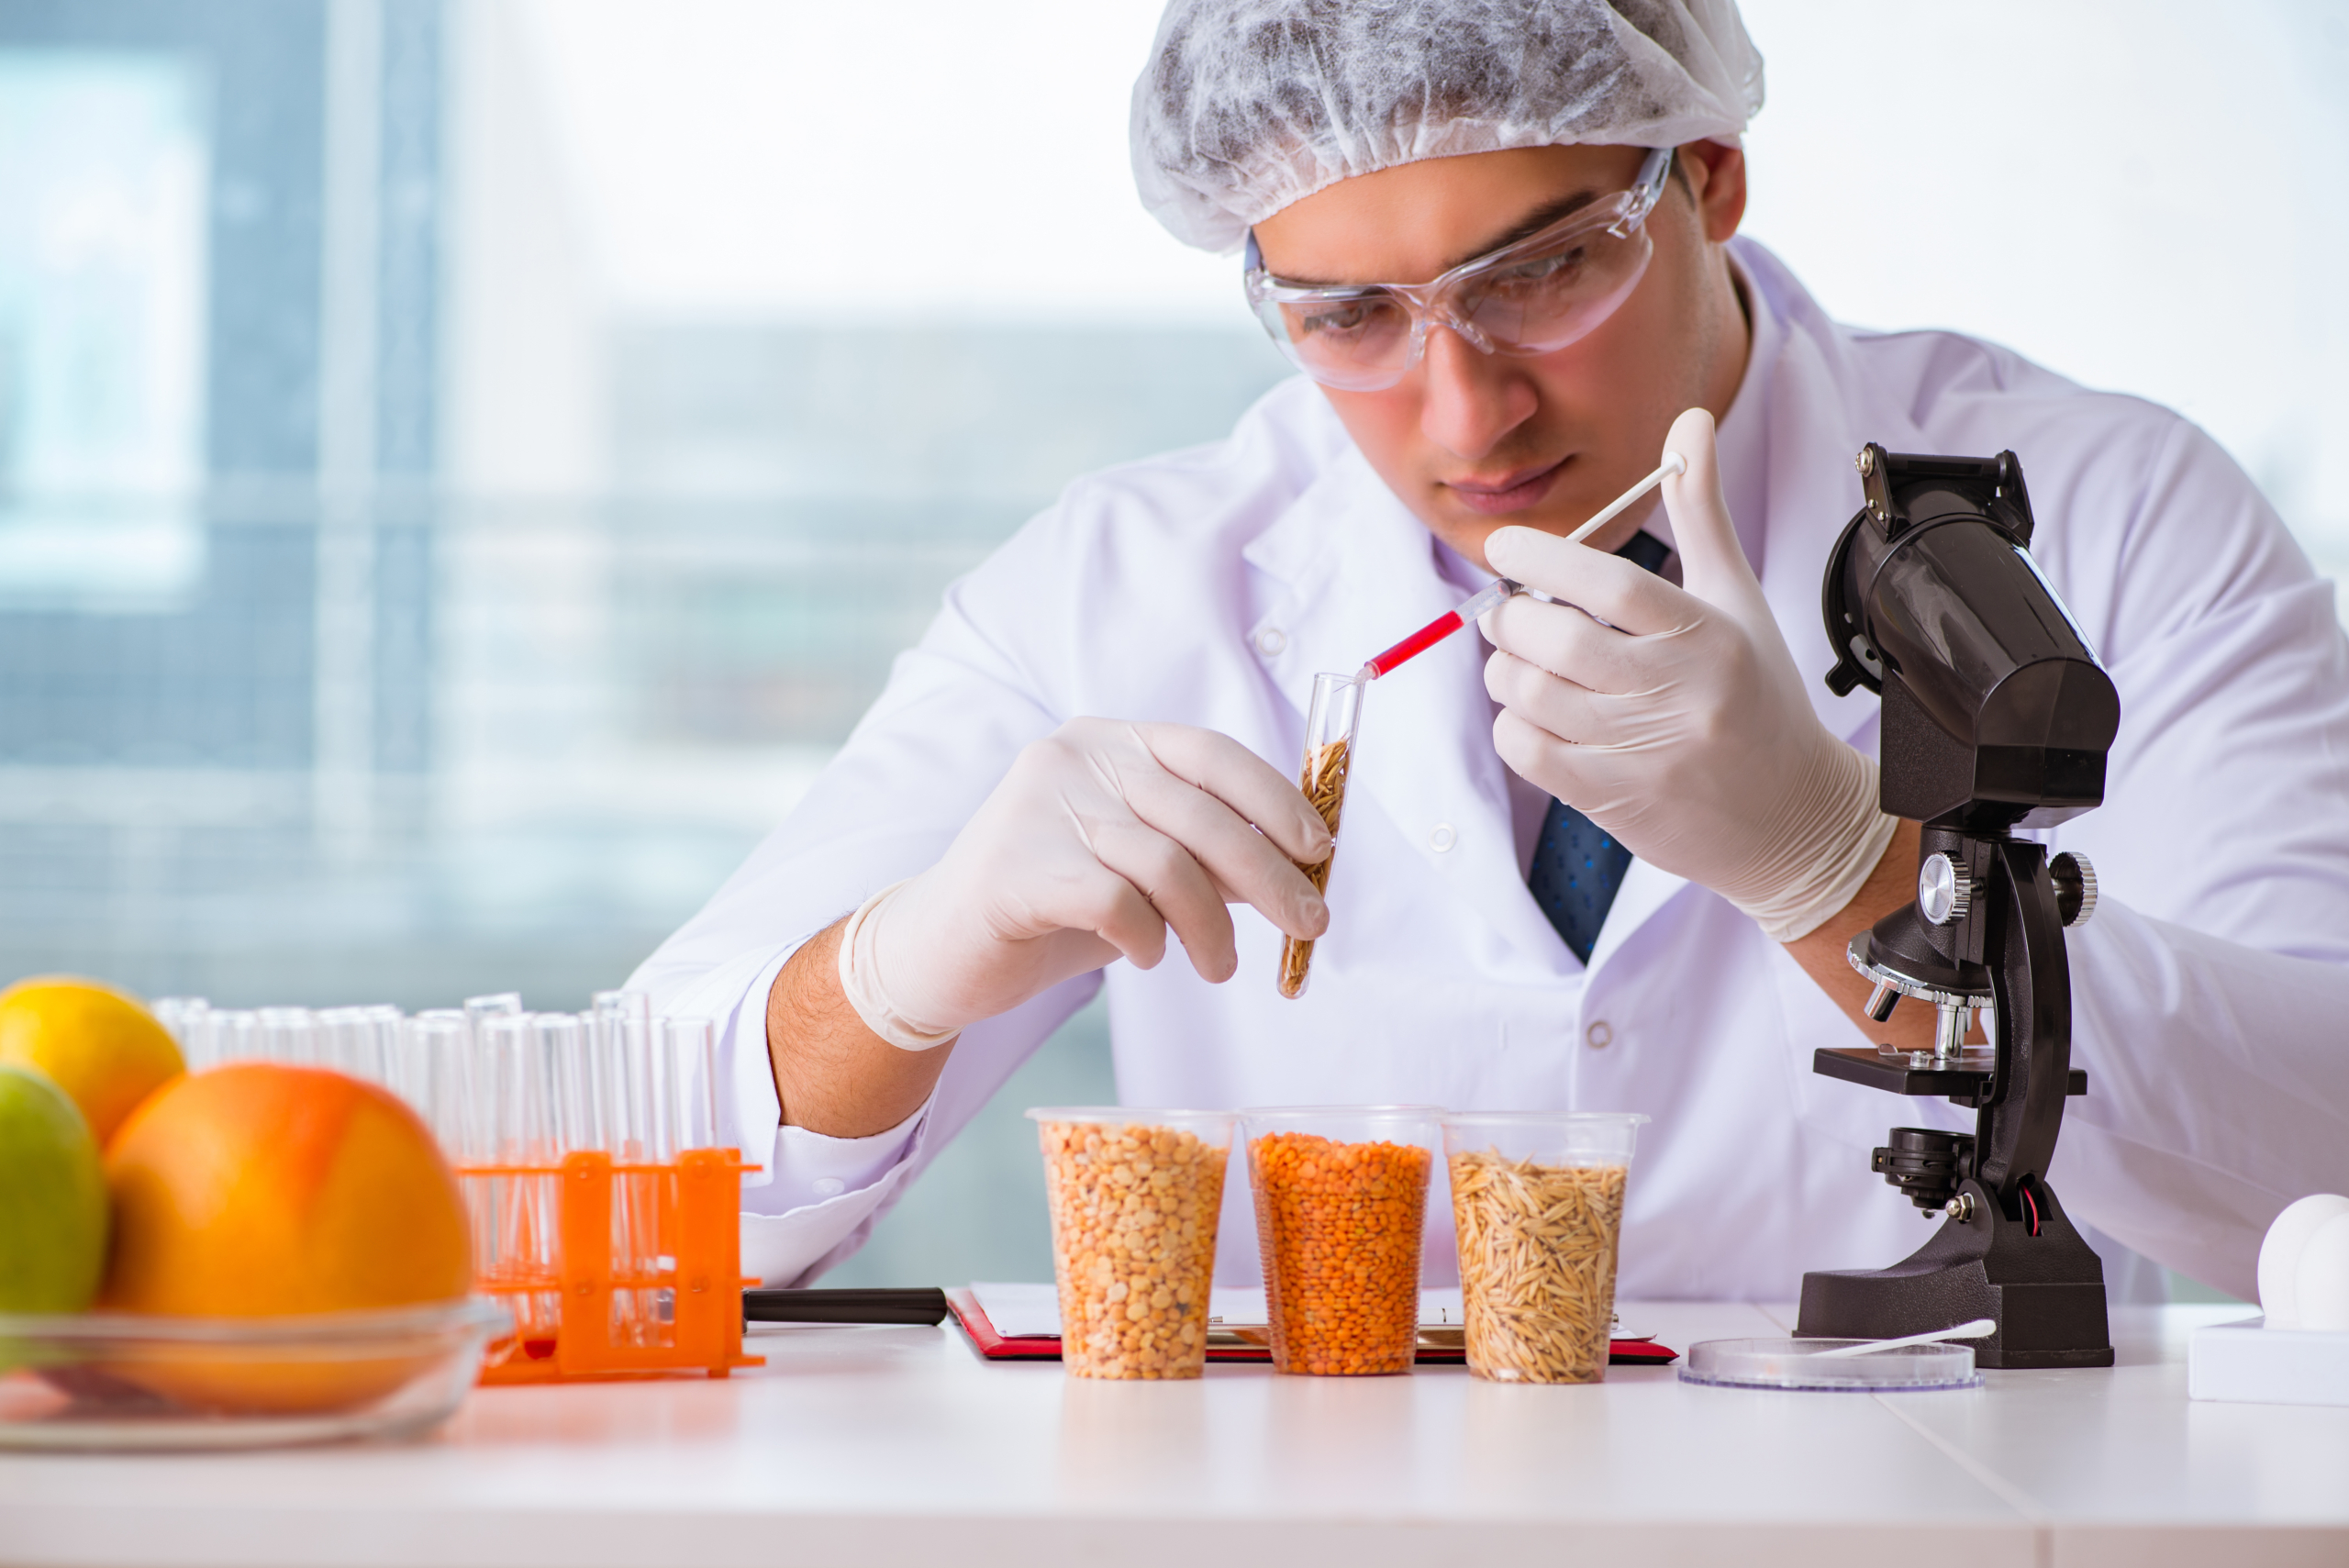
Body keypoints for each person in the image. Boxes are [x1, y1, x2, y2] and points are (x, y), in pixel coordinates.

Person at [632, 0, 2349, 1301]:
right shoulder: (1121, 593)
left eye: (1538, 274)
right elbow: (640, 1188)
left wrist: (1842, 871)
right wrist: (911, 960)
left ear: (1711, 177)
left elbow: (2321, 1165)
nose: (1465, 411)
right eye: (1350, 317)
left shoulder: (2118, 520)